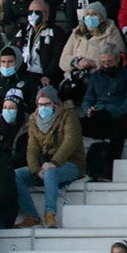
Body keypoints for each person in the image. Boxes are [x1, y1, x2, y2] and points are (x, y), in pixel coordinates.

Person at [15, 86, 85, 228]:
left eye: (47, 104)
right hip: (45, 166)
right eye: (40, 104)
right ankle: (32, 216)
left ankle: (50, 214)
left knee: (51, 172)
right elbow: (32, 148)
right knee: (16, 175)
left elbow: (70, 142)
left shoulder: (68, 116)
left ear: (55, 104)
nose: (43, 107)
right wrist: (36, 170)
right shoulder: (34, 120)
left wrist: (54, 162)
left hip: (70, 163)